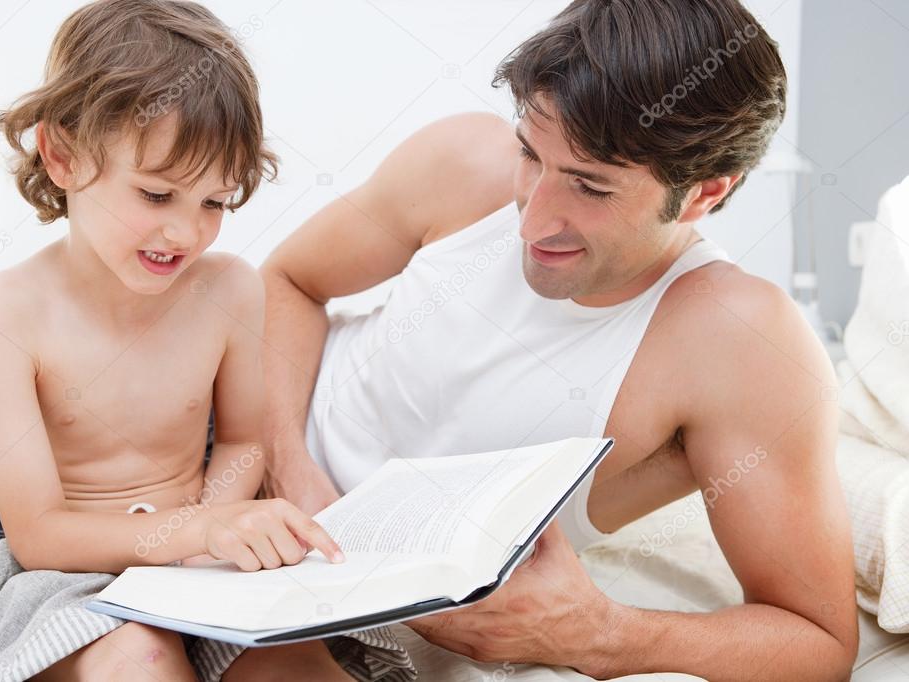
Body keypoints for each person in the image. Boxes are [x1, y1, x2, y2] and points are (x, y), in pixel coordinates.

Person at [260, 0, 859, 678]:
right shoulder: (460, 159)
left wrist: (600, 635)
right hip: (233, 478)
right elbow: (284, 282)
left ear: (703, 193)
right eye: (529, 154)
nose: (531, 221)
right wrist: (283, 464)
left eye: (589, 186)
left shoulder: (739, 342)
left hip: (347, 621)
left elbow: (816, 643)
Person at [0, 1, 415, 680]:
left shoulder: (231, 290)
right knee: (142, 656)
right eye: (156, 195)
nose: (186, 233)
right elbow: (37, 534)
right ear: (60, 155)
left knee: (291, 664)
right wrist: (191, 533)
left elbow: (243, 442)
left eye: (213, 202)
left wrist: (216, 531)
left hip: (196, 565)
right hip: (67, 576)